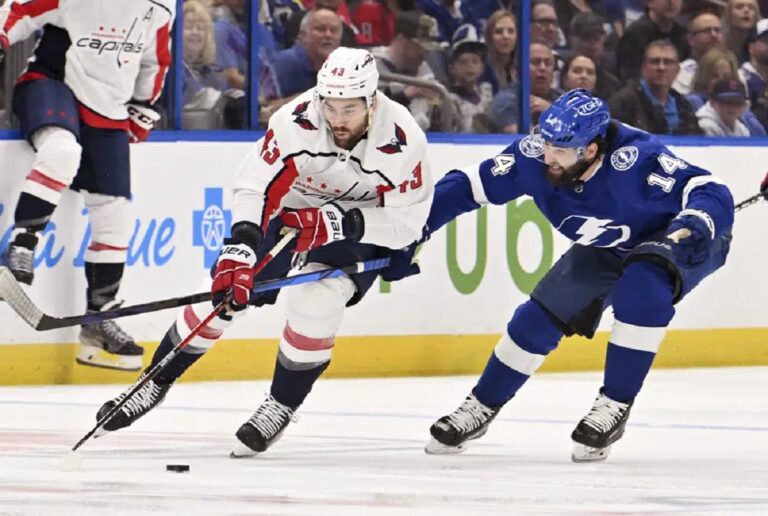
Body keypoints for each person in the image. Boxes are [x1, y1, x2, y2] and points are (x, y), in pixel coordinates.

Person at [94, 47, 434, 457]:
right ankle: (153, 382)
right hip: (289, 210)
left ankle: (281, 405)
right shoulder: (295, 121)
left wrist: (339, 223)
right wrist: (240, 246)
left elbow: (408, 223)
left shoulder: (403, 138)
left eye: (349, 109)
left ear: (372, 100)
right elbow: (255, 186)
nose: (338, 120)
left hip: (359, 223)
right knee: (219, 297)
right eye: (331, 107)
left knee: (317, 301)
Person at [389, 89, 734, 462]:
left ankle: (614, 405)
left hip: (680, 241)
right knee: (534, 320)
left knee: (642, 286)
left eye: (561, 150)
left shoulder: (638, 160)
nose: (548, 157)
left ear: (591, 150)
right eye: (546, 143)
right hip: (610, 245)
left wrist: (699, 220)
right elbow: (464, 189)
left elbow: (709, 188)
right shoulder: (536, 155)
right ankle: (481, 405)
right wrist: (409, 236)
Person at [0, 0, 174, 371]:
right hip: (52, 83)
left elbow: (155, 59)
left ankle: (99, 319)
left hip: (111, 105)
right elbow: (19, 11)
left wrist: (144, 107)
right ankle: (21, 246)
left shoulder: (162, 5)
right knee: (62, 151)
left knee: (115, 209)